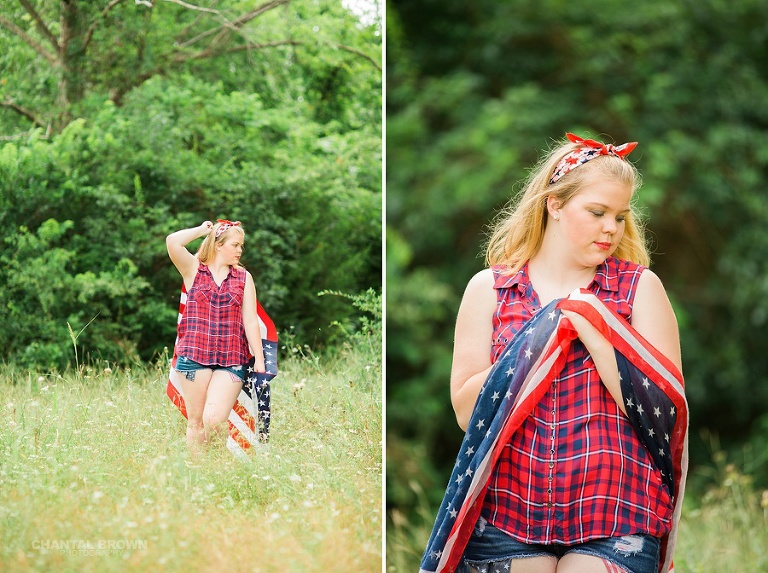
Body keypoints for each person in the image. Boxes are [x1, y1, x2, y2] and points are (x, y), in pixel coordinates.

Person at [420, 134, 688, 573]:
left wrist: (594, 326)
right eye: (597, 212)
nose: (611, 229)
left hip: (616, 508)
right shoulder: (490, 290)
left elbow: (666, 413)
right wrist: (542, 335)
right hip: (508, 512)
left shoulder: (640, 288)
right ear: (555, 205)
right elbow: (469, 414)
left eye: (620, 217)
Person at [166, 219, 266, 451]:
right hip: (193, 355)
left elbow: (250, 320)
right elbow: (173, 242)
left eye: (242, 245)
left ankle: (216, 461)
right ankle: (199, 472)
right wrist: (202, 231)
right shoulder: (193, 269)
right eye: (235, 245)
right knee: (196, 421)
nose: (240, 250)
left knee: (214, 419)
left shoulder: (243, 278)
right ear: (219, 245)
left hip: (231, 359)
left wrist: (259, 360)